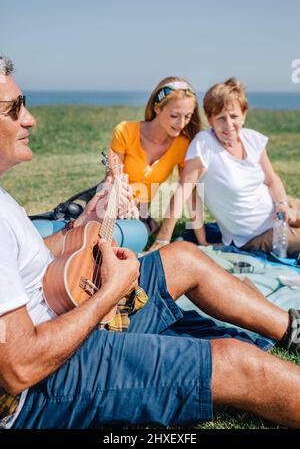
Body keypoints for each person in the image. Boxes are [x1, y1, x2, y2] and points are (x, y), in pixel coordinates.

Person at [2, 56, 300, 430]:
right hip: (43, 386)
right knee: (238, 361)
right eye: (13, 109)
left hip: (69, 313)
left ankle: (292, 329)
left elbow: (31, 257)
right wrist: (110, 292)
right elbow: (20, 367)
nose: (30, 119)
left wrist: (82, 226)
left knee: (183, 258)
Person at [153, 78, 300, 256]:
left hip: (281, 207)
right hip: (256, 235)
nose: (229, 124)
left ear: (244, 115)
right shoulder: (204, 144)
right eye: (221, 118)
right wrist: (163, 240)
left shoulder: (252, 139)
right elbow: (185, 191)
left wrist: (283, 204)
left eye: (234, 116)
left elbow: (271, 180)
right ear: (210, 119)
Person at [109, 76, 201, 240]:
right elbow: (112, 179)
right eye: (174, 115)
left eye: (187, 116)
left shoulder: (183, 146)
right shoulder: (125, 131)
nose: (181, 123)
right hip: (113, 200)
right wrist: (123, 205)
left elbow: (188, 189)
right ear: (157, 108)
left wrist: (202, 239)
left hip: (141, 213)